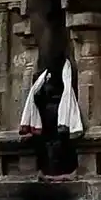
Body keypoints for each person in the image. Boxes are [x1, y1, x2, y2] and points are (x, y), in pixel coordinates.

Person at [17, 16, 82, 176]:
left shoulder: (67, 71)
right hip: (48, 113)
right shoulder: (44, 76)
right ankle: (51, 167)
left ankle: (61, 167)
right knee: (50, 142)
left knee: (59, 142)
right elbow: (38, 94)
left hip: (57, 111)